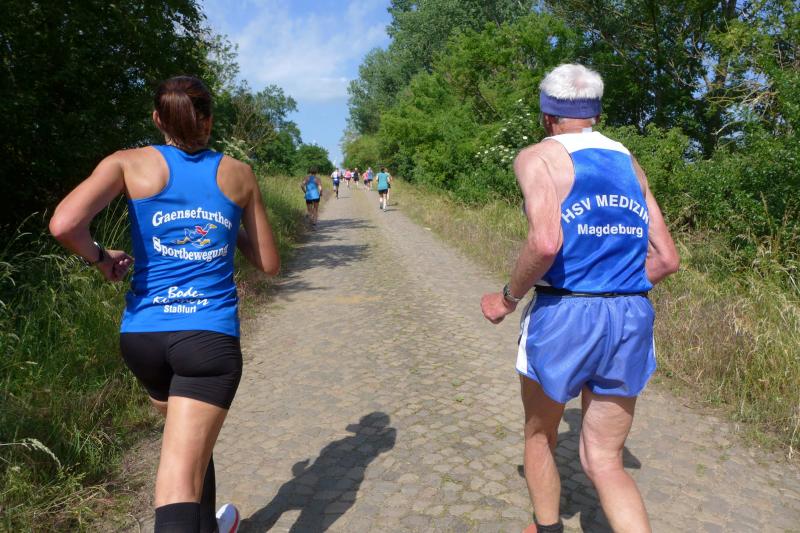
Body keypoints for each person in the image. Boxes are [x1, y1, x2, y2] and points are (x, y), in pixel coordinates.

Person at [49, 75, 281, 533]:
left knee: (189, 445)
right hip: (207, 339)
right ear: (209, 119)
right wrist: (226, 222)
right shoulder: (238, 173)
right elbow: (269, 263)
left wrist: (101, 258)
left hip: (144, 338)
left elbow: (64, 224)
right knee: (178, 479)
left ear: (158, 119)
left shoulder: (126, 163)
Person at [480, 64, 679, 533]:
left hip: (565, 314)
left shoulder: (537, 157)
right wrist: (615, 284)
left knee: (540, 434)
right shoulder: (629, 161)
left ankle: (547, 528)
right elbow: (667, 259)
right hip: (630, 314)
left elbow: (545, 241)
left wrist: (507, 299)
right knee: (605, 459)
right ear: (596, 114)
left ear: (547, 116)